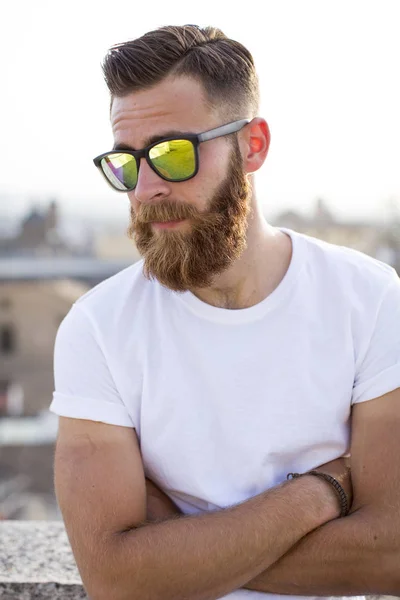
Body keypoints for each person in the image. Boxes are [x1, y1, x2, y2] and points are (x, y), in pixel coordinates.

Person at [50, 25, 400, 600]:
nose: (147, 189)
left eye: (173, 154)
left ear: (253, 145)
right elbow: (113, 578)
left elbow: (389, 556)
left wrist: (178, 548)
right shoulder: (98, 329)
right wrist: (319, 493)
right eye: (128, 163)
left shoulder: (369, 300)